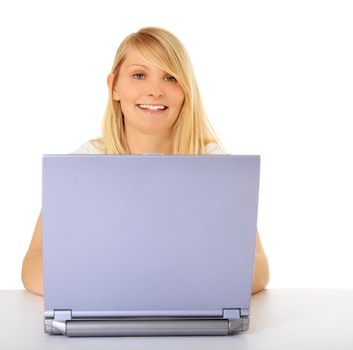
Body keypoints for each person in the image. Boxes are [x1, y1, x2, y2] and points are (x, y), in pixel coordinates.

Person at [21, 27, 270, 296]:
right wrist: (107, 291)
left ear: (186, 91)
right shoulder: (81, 166)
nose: (154, 91)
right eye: (139, 75)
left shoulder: (216, 167)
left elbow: (258, 266)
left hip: (188, 318)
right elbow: (33, 264)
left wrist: (176, 289)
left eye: (170, 77)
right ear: (113, 86)